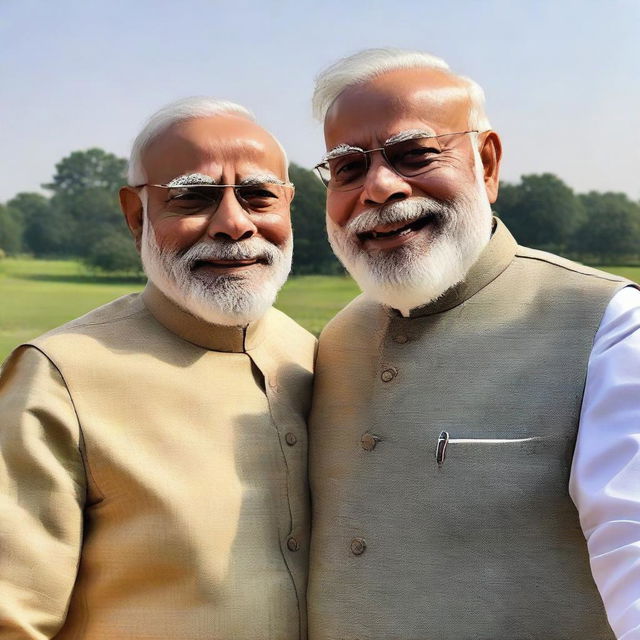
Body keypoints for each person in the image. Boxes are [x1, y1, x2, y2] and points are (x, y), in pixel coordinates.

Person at [307, 49, 640, 640]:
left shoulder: (609, 325)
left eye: (414, 154)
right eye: (348, 168)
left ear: (486, 163)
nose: (380, 187)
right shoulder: (337, 340)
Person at [0, 97, 315, 639]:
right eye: (193, 196)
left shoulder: (317, 355)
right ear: (136, 215)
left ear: (288, 207)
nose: (234, 224)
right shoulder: (59, 380)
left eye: (259, 195)